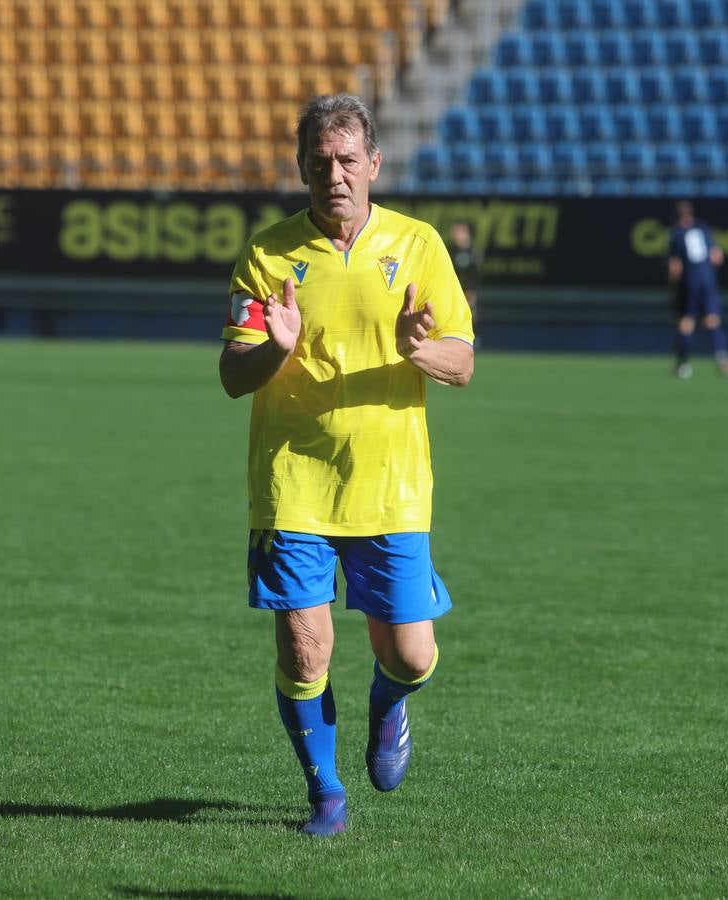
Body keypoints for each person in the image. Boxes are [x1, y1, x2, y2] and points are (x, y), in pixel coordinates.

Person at [219, 94, 475, 837]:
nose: (335, 174)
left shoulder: (419, 245)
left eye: (348, 160)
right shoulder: (269, 255)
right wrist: (277, 345)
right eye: (320, 161)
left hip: (391, 486)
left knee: (413, 655)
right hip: (292, 482)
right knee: (304, 651)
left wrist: (416, 350)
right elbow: (236, 376)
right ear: (302, 168)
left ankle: (388, 704)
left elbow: (461, 362)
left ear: (374, 164)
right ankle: (325, 793)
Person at [667, 200, 728, 378]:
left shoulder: (677, 233)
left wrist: (673, 291)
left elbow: (675, 268)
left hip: (690, 280)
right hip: (708, 280)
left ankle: (683, 364)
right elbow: (717, 257)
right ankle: (722, 357)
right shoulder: (703, 228)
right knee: (712, 320)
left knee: (686, 322)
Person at [448, 220, 482, 330]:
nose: (455, 234)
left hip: (468, 292)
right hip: (451, 291)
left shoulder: (474, 252)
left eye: (459, 231)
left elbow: (475, 276)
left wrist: (470, 293)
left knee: (469, 313)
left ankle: (473, 337)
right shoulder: (450, 250)